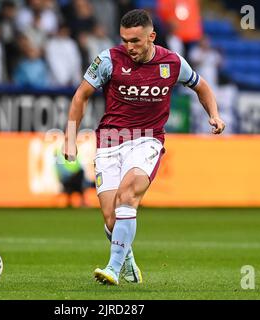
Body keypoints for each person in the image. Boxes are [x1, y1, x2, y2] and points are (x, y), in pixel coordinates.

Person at [62, 9, 225, 285]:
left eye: (135, 41)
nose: (129, 47)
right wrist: (69, 137)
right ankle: (128, 261)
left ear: (152, 36)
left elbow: (202, 87)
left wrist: (215, 114)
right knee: (111, 220)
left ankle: (112, 268)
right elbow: (81, 96)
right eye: (125, 40)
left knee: (128, 194)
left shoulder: (172, 63)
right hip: (110, 142)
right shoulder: (108, 60)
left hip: (147, 139)